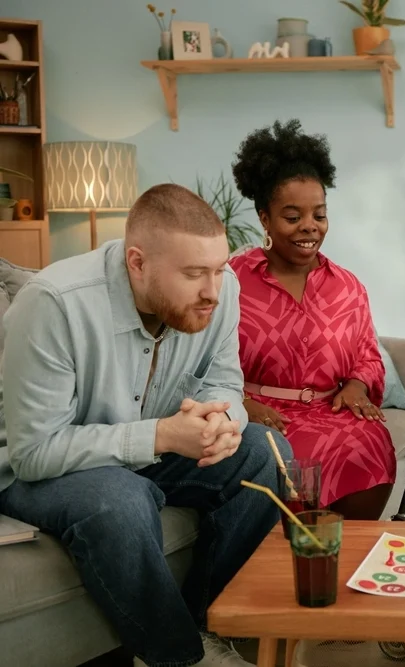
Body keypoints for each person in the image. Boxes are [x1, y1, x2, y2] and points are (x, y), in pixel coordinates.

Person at [0, 183, 291, 667]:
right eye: (194, 274)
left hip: (144, 453)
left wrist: (222, 421)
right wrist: (160, 436)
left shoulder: (222, 291)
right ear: (138, 263)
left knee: (263, 451)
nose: (212, 292)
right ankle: (177, 657)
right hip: (37, 471)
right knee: (119, 497)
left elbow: (224, 384)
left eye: (218, 270)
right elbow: (33, 452)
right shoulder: (54, 302)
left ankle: (212, 623)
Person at [229, 119, 396, 520]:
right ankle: (293, 562)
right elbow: (195, 364)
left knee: (371, 441)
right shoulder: (229, 282)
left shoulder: (347, 286)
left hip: (328, 411)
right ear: (264, 218)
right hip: (261, 414)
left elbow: (368, 357)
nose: (310, 226)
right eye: (292, 216)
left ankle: (340, 558)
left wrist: (356, 385)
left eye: (319, 214)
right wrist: (240, 402)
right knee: (285, 454)